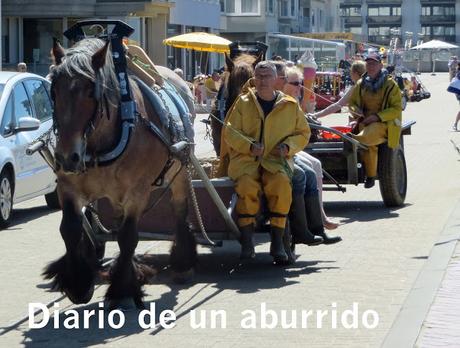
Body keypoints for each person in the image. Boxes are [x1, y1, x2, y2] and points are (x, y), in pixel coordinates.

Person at [223, 60, 310, 261]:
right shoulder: (243, 103)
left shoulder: (289, 104)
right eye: (259, 77)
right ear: (254, 79)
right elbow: (230, 132)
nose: (263, 81)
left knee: (280, 184)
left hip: (276, 161)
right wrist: (249, 145)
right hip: (246, 161)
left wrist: (288, 147)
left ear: (275, 79)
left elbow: (303, 133)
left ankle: (277, 243)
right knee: (245, 186)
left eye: (267, 76)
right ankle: (247, 242)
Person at [282, 66, 341, 243]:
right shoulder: (281, 100)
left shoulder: (292, 100)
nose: (299, 86)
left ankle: (319, 220)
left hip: (291, 147)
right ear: (283, 83)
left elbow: (301, 127)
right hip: (283, 150)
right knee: (308, 170)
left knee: (315, 165)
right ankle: (314, 224)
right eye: (295, 83)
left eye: (301, 83)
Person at [348, 51, 402, 188]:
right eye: (368, 63)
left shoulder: (391, 85)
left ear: (380, 65)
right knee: (369, 147)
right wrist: (357, 112)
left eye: (374, 63)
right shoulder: (360, 83)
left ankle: (352, 141)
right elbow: (352, 104)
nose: (371, 66)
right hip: (364, 122)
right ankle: (371, 176)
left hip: (384, 124)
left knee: (370, 134)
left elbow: (396, 109)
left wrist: (376, 117)